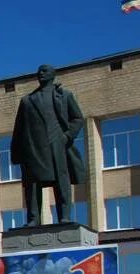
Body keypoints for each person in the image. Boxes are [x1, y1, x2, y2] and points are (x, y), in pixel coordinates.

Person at [11, 64, 86, 226]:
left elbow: (78, 118)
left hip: (56, 145)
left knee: (61, 181)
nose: (40, 73)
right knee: (32, 184)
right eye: (39, 71)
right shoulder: (27, 101)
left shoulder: (64, 95)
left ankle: (64, 216)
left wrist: (67, 136)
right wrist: (16, 153)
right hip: (33, 149)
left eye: (45, 71)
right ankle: (33, 218)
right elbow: (19, 129)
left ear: (53, 75)